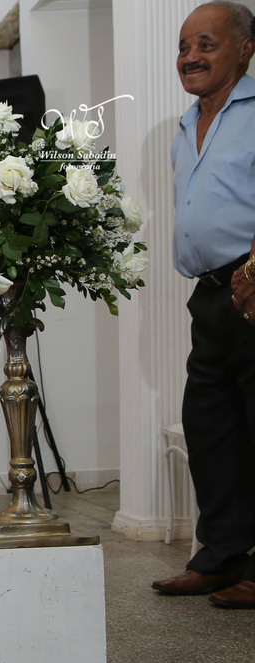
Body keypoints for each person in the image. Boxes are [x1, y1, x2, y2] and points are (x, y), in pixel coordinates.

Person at [152, 2, 255, 609]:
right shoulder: (184, 124)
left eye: (207, 44)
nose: (190, 56)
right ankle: (220, 557)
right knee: (211, 429)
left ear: (245, 48)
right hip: (210, 296)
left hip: (252, 287)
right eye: (185, 45)